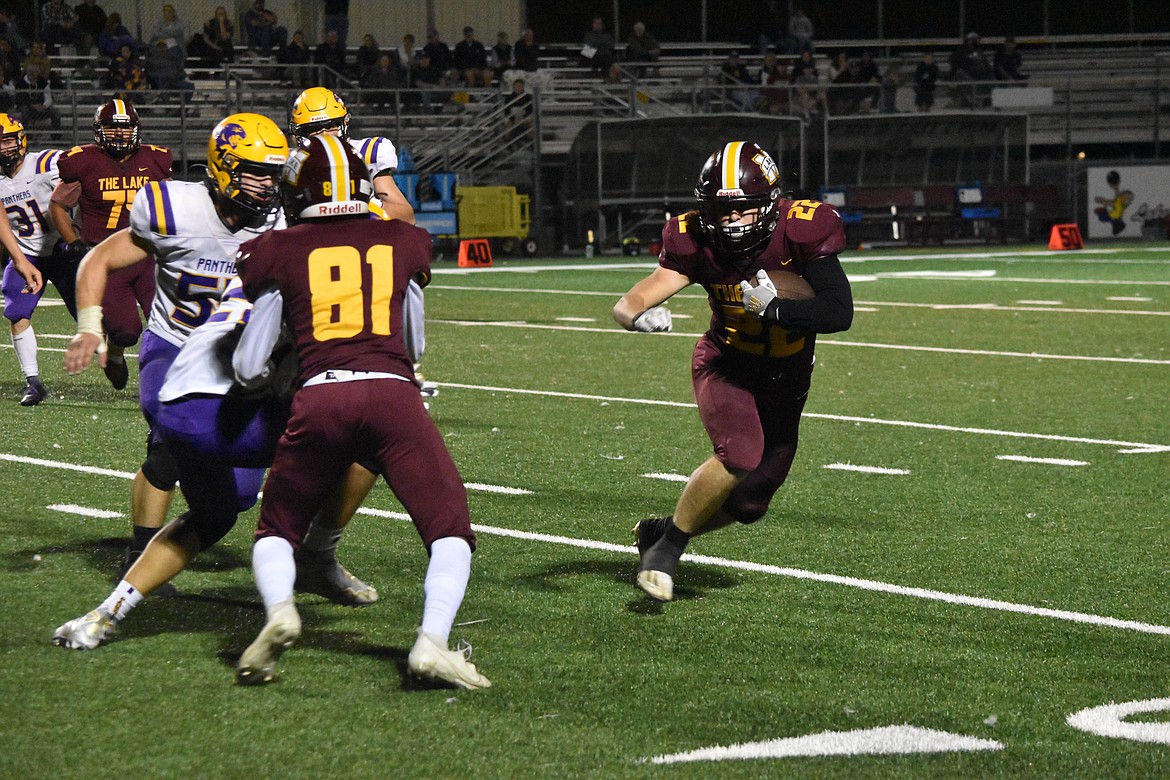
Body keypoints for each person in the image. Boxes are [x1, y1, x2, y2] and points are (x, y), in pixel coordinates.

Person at [52, 125, 378, 651]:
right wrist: (91, 325)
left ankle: (313, 555)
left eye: (275, 176)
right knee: (169, 447)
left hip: (245, 362)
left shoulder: (283, 218)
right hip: (175, 349)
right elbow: (99, 259)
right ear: (223, 167)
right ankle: (140, 558)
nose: (267, 188)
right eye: (255, 174)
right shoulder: (172, 207)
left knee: (235, 500)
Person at [232, 134, 489, 689]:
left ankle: (280, 610)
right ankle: (433, 641)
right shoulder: (402, 240)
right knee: (448, 527)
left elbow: (250, 366)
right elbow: (414, 345)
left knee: (276, 528)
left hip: (320, 393)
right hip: (393, 393)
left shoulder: (279, 246)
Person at [613, 141, 853, 603]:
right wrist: (633, 314)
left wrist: (777, 310)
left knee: (749, 503)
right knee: (740, 454)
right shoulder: (693, 238)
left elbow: (838, 312)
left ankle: (661, 530)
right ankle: (667, 552)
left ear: (769, 205)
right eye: (721, 212)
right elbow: (636, 296)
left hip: (788, 374)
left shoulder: (802, 228)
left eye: (743, 211)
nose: (731, 221)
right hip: (728, 363)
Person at [50, 99, 173, 577]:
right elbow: (60, 204)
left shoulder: (156, 159)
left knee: (167, 325)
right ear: (99, 131)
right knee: (125, 327)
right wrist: (76, 240)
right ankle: (117, 347)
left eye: (127, 129)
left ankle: (149, 375)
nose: (122, 136)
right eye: (114, 129)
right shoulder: (80, 161)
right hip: (108, 257)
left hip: (146, 254)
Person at [0, 113, 68, 405]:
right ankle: (33, 381)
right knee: (16, 310)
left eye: (7, 140)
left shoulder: (47, 163)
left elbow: (87, 171)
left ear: (21, 139)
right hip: (26, 252)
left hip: (64, 249)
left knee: (99, 315)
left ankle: (113, 354)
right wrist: (19, 260)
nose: (3, 148)